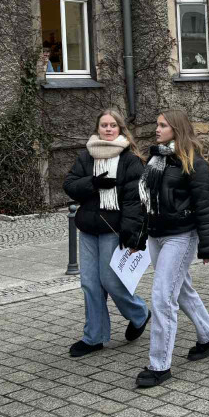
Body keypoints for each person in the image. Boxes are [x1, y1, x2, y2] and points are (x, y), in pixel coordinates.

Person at [135, 110, 209, 388]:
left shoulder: (194, 162)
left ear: (177, 129)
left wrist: (208, 247)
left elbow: (206, 205)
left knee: (162, 297)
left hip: (180, 236)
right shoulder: (156, 158)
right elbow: (145, 199)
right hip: (156, 234)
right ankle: (208, 334)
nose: (156, 129)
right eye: (157, 124)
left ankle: (159, 365)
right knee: (180, 289)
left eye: (162, 125)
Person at [63, 110, 149, 358]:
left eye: (113, 125)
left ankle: (139, 313)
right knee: (89, 283)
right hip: (89, 228)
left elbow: (136, 201)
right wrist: (93, 183)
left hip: (114, 230)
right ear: (98, 128)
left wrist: (132, 234)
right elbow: (69, 185)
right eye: (104, 125)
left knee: (111, 281)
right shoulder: (86, 155)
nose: (108, 129)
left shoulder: (130, 160)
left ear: (120, 129)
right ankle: (94, 337)